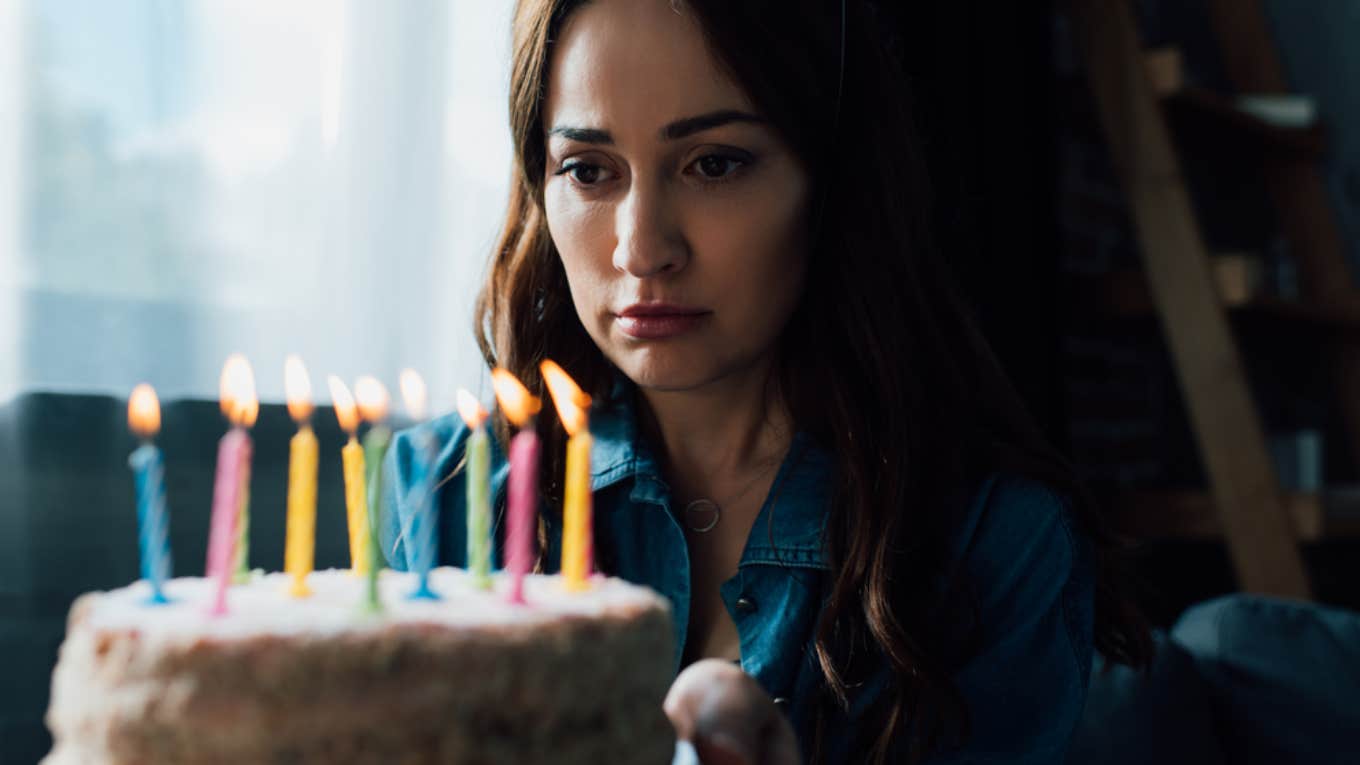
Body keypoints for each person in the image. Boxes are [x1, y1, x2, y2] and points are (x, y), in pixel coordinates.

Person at [382, 0, 1151, 762]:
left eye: (714, 163)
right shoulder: (443, 495)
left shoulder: (995, 546)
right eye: (589, 170)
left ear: (832, 182)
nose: (642, 248)